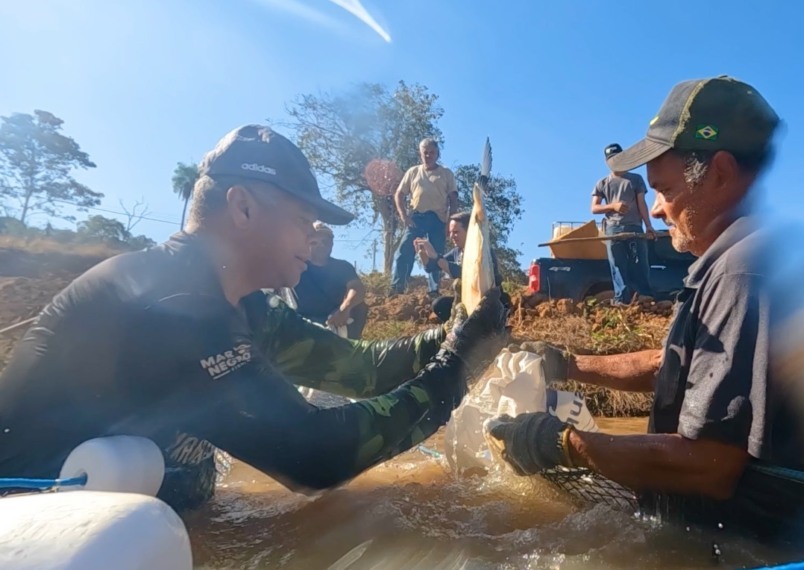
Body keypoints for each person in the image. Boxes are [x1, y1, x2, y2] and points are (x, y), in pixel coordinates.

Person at [0, 124, 508, 512]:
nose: (312, 239)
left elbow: (363, 370)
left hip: (136, 524)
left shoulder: (243, 305)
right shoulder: (170, 305)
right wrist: (458, 363)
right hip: (37, 527)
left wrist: (459, 332)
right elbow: (314, 454)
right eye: (300, 221)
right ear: (241, 208)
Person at [487, 77, 804, 551]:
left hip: (744, 550)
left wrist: (561, 444)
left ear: (720, 173)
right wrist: (567, 365)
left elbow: (710, 465)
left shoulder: (742, 275)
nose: (657, 210)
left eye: (663, 190)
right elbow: (677, 366)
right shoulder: (734, 261)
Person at [391, 138, 459, 296]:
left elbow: (453, 199)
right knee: (403, 250)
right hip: (417, 218)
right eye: (425, 153)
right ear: (420, 154)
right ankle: (397, 287)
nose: (428, 155)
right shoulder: (413, 172)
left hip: (438, 219)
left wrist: (450, 222)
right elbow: (399, 194)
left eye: (432, 152)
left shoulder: (446, 174)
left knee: (435, 255)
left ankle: (433, 290)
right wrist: (404, 216)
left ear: (437, 154)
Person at [592, 143, 656, 305]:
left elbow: (642, 204)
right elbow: (594, 208)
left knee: (639, 262)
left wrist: (648, 226)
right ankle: (622, 300)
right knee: (618, 265)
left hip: (634, 227)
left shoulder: (635, 180)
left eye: (617, 158)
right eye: (610, 159)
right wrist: (612, 206)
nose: (613, 161)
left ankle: (644, 296)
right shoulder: (603, 183)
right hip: (613, 229)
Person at [414, 211, 505, 322]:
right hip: (468, 300)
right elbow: (431, 267)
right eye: (451, 232)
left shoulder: (482, 251)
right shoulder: (456, 251)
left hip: (489, 301)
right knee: (439, 304)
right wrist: (423, 253)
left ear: (469, 232)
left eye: (456, 232)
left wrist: (436, 256)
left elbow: (465, 274)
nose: (452, 236)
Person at [292, 221, 369, 340]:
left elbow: (356, 288)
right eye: (314, 242)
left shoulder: (342, 267)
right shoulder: (296, 265)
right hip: (302, 320)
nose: (321, 245)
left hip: (335, 319)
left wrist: (345, 308)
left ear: (332, 244)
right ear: (306, 243)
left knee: (359, 307)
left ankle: (347, 347)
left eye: (325, 241)